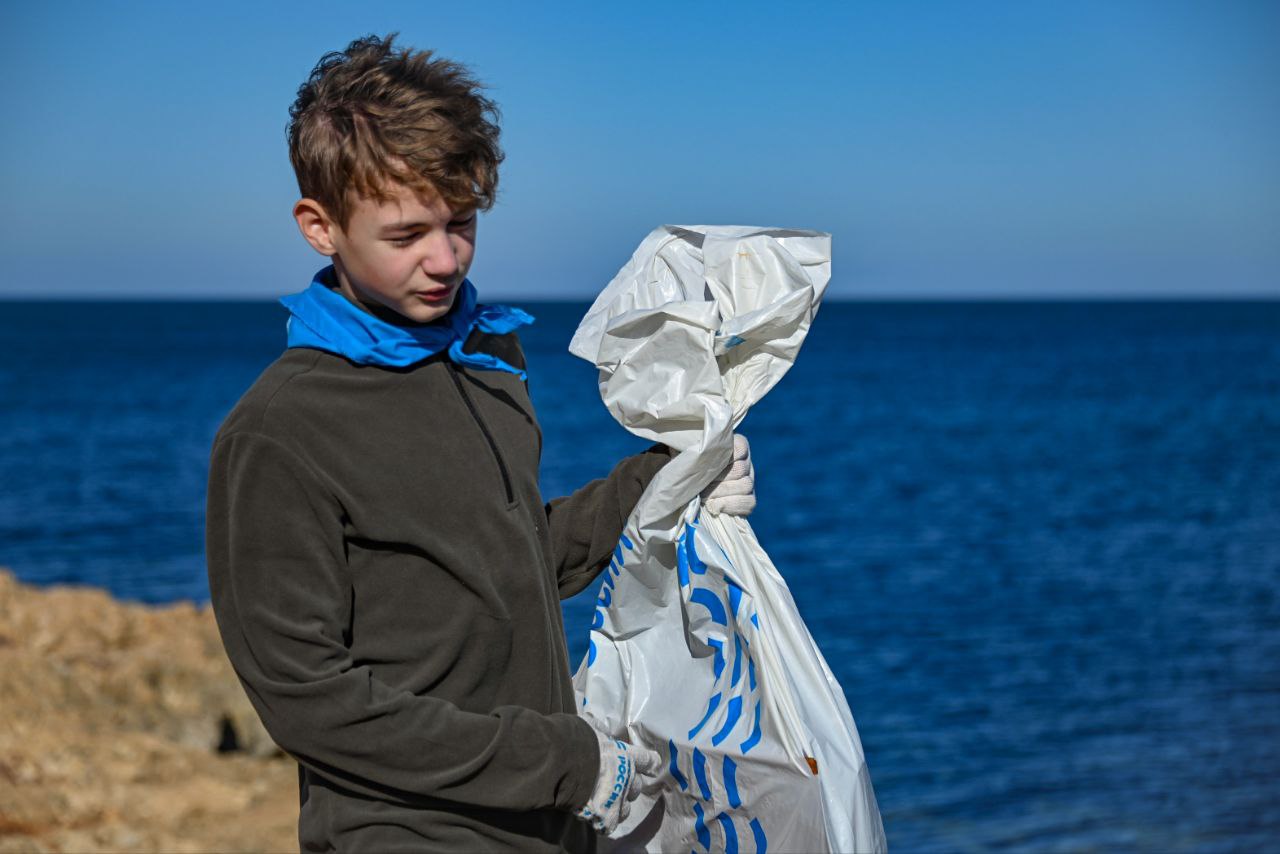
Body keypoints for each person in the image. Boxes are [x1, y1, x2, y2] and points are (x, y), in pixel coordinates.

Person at [204, 33, 756, 853]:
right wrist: (564, 763)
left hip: (550, 826)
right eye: (406, 235)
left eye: (461, 222)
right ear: (320, 227)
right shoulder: (277, 431)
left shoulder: (489, 359)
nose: (445, 259)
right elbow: (307, 699)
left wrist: (663, 483)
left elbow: (511, 558)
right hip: (404, 835)